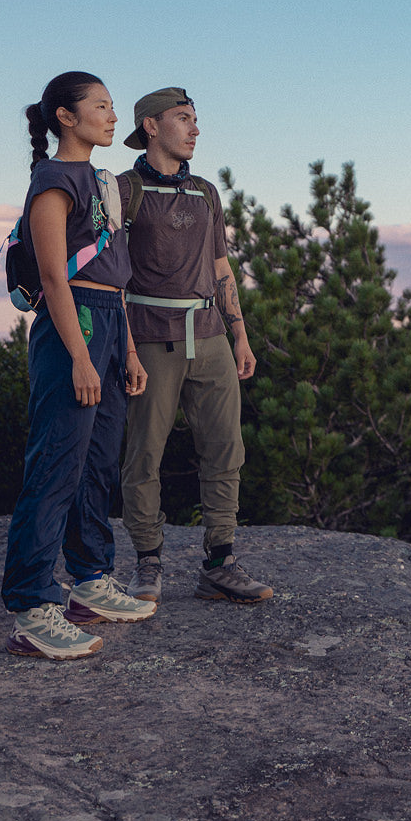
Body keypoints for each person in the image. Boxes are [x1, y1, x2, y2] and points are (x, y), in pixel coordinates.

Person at [2, 71, 157, 661]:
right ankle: (31, 606)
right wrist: (78, 356)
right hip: (75, 326)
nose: (113, 117)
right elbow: (51, 276)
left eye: (113, 106)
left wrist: (130, 351)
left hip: (111, 324)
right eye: (101, 106)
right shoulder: (53, 180)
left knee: (97, 463)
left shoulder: (101, 181)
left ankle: (90, 583)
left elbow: (116, 272)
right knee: (56, 464)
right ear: (66, 117)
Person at [117, 87, 273, 605]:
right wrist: (128, 350)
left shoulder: (206, 191)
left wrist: (240, 333)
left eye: (195, 119)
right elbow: (111, 277)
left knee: (226, 448)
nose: (195, 129)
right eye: (183, 118)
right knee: (144, 455)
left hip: (210, 339)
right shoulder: (123, 190)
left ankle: (220, 562)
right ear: (152, 126)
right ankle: (147, 561)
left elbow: (220, 266)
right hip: (151, 340)